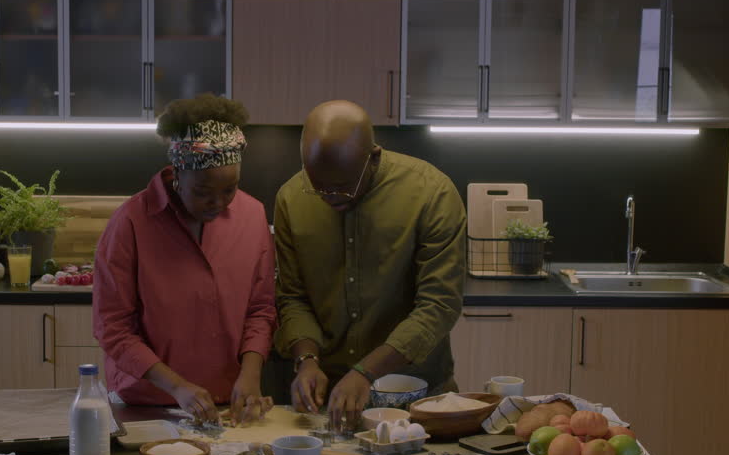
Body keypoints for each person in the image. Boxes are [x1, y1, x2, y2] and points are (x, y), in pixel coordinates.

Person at [274, 100, 466, 431]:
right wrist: (306, 361)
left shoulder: (431, 193)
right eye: (319, 186)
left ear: (373, 156)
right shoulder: (291, 198)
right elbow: (293, 296)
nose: (330, 196)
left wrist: (366, 372)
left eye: (343, 186)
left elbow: (438, 305)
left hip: (415, 395)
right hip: (329, 398)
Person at [93, 94, 276, 424]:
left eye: (229, 189)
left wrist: (250, 374)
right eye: (203, 191)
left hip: (226, 404)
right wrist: (177, 386)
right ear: (177, 172)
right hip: (147, 404)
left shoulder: (253, 215)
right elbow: (113, 328)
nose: (217, 202)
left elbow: (260, 309)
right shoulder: (131, 223)